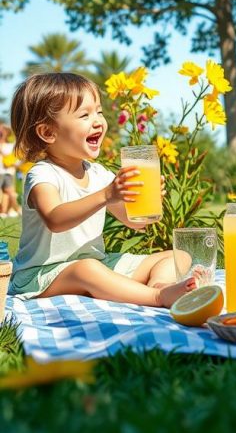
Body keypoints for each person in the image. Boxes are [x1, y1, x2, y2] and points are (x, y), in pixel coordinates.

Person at [7, 72, 195, 307]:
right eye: (84, 115)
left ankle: (159, 285)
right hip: (40, 277)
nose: (98, 121)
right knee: (87, 270)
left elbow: (134, 222)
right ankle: (156, 298)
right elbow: (55, 219)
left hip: (96, 264)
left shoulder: (99, 174)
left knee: (177, 257)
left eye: (99, 112)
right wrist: (106, 195)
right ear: (48, 132)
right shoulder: (43, 174)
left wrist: (145, 203)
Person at [0, 123, 22, 217]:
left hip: (7, 172)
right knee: (5, 193)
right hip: (2, 172)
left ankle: (17, 210)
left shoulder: (10, 145)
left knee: (9, 192)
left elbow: (11, 157)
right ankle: (3, 212)